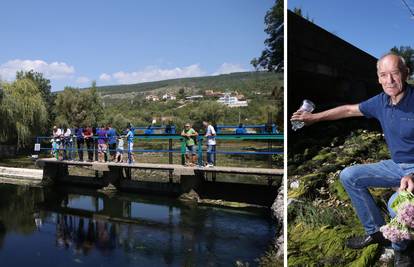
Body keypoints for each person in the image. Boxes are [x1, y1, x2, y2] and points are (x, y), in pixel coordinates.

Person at [290, 53, 413, 266]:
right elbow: (348, 110)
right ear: (378, 78)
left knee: (398, 206)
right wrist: (313, 118)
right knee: (349, 176)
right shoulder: (381, 101)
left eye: (394, 73)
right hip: (396, 166)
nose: (390, 80)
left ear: (406, 73)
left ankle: (401, 250)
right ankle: (375, 232)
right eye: (384, 75)